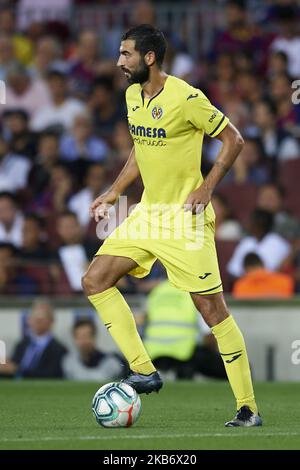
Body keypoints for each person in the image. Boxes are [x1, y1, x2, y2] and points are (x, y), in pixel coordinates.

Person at [82, 24, 262, 427]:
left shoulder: (186, 97)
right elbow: (139, 149)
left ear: (149, 57)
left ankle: (247, 408)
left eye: (126, 54)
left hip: (186, 219)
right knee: (95, 280)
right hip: (147, 213)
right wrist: (113, 192)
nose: (119, 62)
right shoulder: (132, 95)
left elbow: (234, 140)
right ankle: (143, 370)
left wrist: (207, 188)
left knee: (211, 309)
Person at [0, 297, 67, 378]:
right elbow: (13, 365)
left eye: (43, 316)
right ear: (29, 320)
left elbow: (51, 374)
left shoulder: (59, 350)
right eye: (35, 315)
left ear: (51, 321)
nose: (38, 319)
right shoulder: (22, 344)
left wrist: (19, 371)